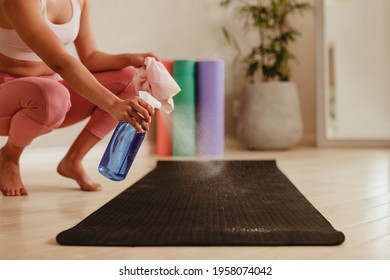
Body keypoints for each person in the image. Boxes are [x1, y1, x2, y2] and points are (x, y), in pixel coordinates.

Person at [0, 0, 158, 196]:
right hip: (6, 95)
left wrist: (131, 59)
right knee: (52, 94)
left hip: (51, 97)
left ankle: (73, 161)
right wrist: (113, 104)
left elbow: (90, 57)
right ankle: (9, 157)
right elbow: (60, 62)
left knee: (129, 79)